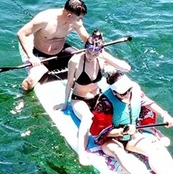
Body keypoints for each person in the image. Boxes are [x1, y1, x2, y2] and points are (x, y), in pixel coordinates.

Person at [88, 73, 173, 174]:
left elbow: (149, 103)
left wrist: (164, 115)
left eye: (129, 90)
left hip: (131, 136)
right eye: (123, 93)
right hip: (111, 140)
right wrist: (123, 131)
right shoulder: (105, 103)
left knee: (151, 149)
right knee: (118, 152)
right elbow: (98, 131)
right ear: (114, 92)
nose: (127, 94)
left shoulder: (135, 92)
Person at [56, 30, 131, 165]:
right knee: (87, 118)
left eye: (95, 53)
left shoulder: (102, 59)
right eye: (89, 52)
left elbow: (126, 68)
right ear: (85, 48)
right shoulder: (75, 61)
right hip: (79, 99)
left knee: (116, 112)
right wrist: (65, 103)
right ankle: (82, 153)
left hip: (97, 97)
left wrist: (105, 56)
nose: (91, 56)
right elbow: (69, 83)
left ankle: (126, 138)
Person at [17, 0, 90, 92]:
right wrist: (31, 57)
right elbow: (21, 34)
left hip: (62, 52)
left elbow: (86, 39)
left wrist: (98, 49)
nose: (80, 21)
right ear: (69, 16)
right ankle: (22, 96)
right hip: (42, 56)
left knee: (86, 63)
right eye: (79, 18)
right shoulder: (44, 19)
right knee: (30, 82)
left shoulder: (76, 22)